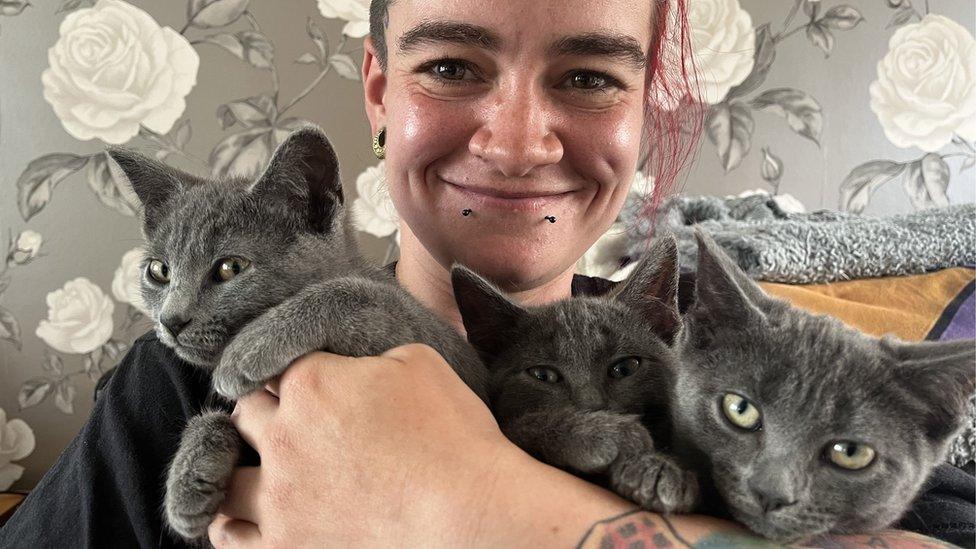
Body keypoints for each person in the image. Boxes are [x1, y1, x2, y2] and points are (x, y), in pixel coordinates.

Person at [1, 1, 971, 547]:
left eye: (589, 76)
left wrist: (470, 508)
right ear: (379, 95)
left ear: (642, 111)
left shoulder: (732, 374)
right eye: (453, 69)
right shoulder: (184, 387)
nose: (514, 143)